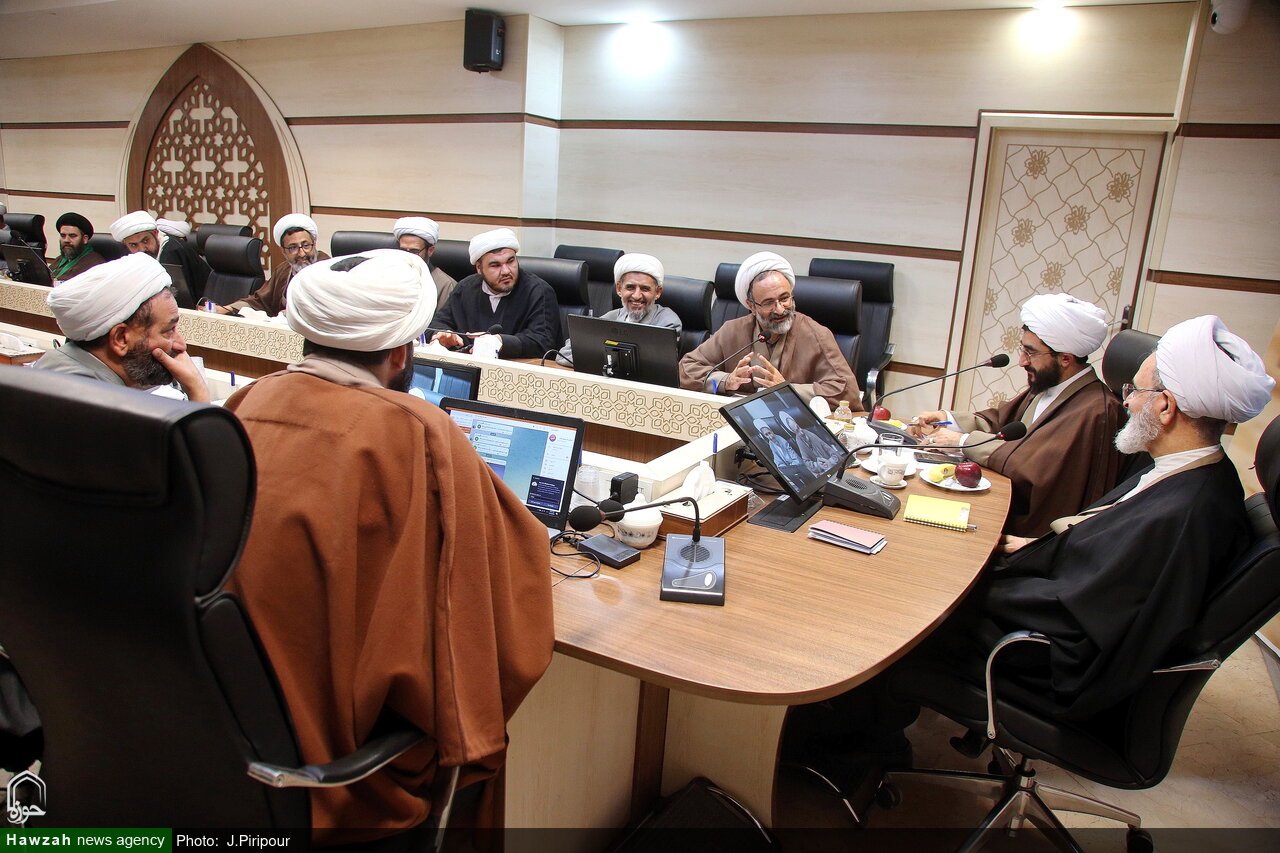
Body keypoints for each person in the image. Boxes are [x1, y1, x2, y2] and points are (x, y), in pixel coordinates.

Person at [797, 314, 1274, 786]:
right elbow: (1105, 552)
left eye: (1135, 391)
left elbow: (1083, 612)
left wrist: (965, 585)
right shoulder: (1192, 474)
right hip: (1052, 615)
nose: (1126, 401)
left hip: (1043, 660)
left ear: (1166, 407)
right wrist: (1039, 546)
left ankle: (855, 747)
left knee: (894, 608)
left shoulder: (1184, 513)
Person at [222, 249, 555, 843]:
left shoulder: (248, 400)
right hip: (344, 768)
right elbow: (509, 584)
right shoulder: (417, 429)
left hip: (232, 739)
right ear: (401, 353)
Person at [909, 293, 1127, 537]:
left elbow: (1036, 468)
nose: (1022, 361)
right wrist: (947, 418)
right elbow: (1003, 423)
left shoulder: (1096, 410)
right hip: (1006, 499)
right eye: (1023, 350)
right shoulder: (1051, 385)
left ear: (1065, 358)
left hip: (1033, 533)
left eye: (1030, 353)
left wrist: (962, 441)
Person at [679, 251, 863, 407]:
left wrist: (788, 390)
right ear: (751, 306)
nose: (780, 309)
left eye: (784, 298)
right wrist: (724, 382)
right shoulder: (732, 330)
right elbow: (686, 371)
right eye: (768, 303)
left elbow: (847, 392)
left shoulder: (816, 335)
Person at [32, 253, 210, 402]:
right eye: (169, 331)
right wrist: (197, 390)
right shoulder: (99, 403)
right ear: (121, 338)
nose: (180, 344)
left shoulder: (53, 364)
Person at [430, 228, 559, 359]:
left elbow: (543, 342)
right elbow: (436, 324)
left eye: (510, 261)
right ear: (479, 268)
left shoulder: (538, 291)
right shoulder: (465, 288)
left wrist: (500, 341)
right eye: (495, 265)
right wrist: (443, 334)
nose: (506, 271)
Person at [556, 252, 681, 365]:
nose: (637, 296)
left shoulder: (667, 322)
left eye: (645, 289)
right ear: (619, 289)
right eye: (630, 287)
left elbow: (652, 367)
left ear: (658, 292)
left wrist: (598, 357)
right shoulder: (611, 317)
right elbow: (564, 355)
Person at [218, 213, 327, 317]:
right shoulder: (283, 270)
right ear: (283, 251)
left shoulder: (328, 271)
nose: (302, 253)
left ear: (314, 244)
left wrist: (294, 315)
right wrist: (229, 309)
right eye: (293, 248)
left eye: (306, 245)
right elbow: (259, 302)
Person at [109, 210, 210, 304]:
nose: (142, 249)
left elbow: (177, 296)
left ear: (156, 233)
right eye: (133, 245)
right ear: (125, 244)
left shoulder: (171, 251)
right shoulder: (128, 255)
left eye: (145, 241)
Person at [393, 216, 456, 308]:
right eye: (403, 250)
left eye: (414, 251)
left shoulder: (445, 285)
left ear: (430, 251)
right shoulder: (391, 275)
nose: (408, 256)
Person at [779, 408, 843, 474]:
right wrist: (818, 465)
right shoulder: (799, 441)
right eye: (796, 431)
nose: (801, 432)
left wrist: (830, 461)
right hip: (822, 471)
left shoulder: (810, 433)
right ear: (793, 432)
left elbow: (828, 448)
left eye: (798, 427)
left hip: (833, 464)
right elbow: (807, 462)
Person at [48, 212, 105, 282]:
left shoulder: (95, 264)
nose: (66, 240)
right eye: (63, 236)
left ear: (84, 239)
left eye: (72, 236)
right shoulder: (60, 258)